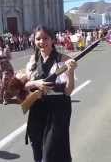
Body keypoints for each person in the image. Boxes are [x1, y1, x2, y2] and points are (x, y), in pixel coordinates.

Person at [24, 25, 77, 162]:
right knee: (37, 147)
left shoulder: (63, 59)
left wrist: (70, 73)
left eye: (46, 38)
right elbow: (25, 85)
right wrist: (36, 83)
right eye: (38, 39)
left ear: (52, 39)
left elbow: (68, 91)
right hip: (37, 108)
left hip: (58, 110)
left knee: (51, 151)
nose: (42, 42)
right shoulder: (33, 61)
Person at [0, 35, 14, 105]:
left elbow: (9, 57)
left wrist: (2, 60)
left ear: (0, 40)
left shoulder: (5, 48)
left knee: (5, 82)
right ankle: (5, 97)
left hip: (6, 67)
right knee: (1, 83)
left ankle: (2, 97)